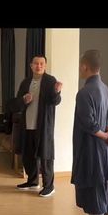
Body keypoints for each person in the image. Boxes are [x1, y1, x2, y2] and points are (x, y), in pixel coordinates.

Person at [70, 49, 108, 215]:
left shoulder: (84, 93)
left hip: (90, 149)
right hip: (103, 150)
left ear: (84, 66)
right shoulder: (105, 88)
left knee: (94, 188)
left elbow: (89, 124)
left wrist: (105, 136)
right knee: (99, 186)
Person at [15, 55, 63, 197]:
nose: (39, 66)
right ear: (31, 66)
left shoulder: (50, 81)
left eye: (42, 63)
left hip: (43, 126)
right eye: (36, 63)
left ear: (45, 65)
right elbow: (18, 102)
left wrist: (57, 91)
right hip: (27, 124)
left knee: (45, 156)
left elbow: (55, 101)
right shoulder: (25, 82)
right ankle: (32, 181)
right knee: (28, 155)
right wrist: (24, 100)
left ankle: (49, 186)